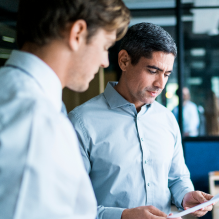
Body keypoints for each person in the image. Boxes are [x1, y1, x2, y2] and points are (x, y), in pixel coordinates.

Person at [68, 23, 213, 219]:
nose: (160, 84)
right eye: (153, 71)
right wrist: (123, 216)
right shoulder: (80, 123)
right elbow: (70, 205)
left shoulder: (167, 119)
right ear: (124, 61)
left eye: (167, 74)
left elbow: (177, 178)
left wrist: (186, 195)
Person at [0, 0, 130, 219]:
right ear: (77, 33)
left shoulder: (13, 91)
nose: (105, 62)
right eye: (105, 46)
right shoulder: (37, 118)